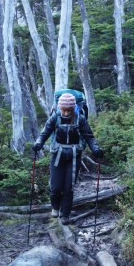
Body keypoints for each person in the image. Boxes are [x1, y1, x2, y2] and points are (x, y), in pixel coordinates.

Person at [31, 92, 104, 225]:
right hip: (57, 155)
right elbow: (44, 133)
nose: (65, 113)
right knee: (55, 187)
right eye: (63, 110)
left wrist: (95, 149)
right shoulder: (54, 118)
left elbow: (89, 136)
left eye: (68, 110)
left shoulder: (80, 119)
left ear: (73, 108)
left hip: (74, 156)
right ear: (59, 108)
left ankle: (65, 214)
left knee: (69, 187)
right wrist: (38, 143)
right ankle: (55, 207)